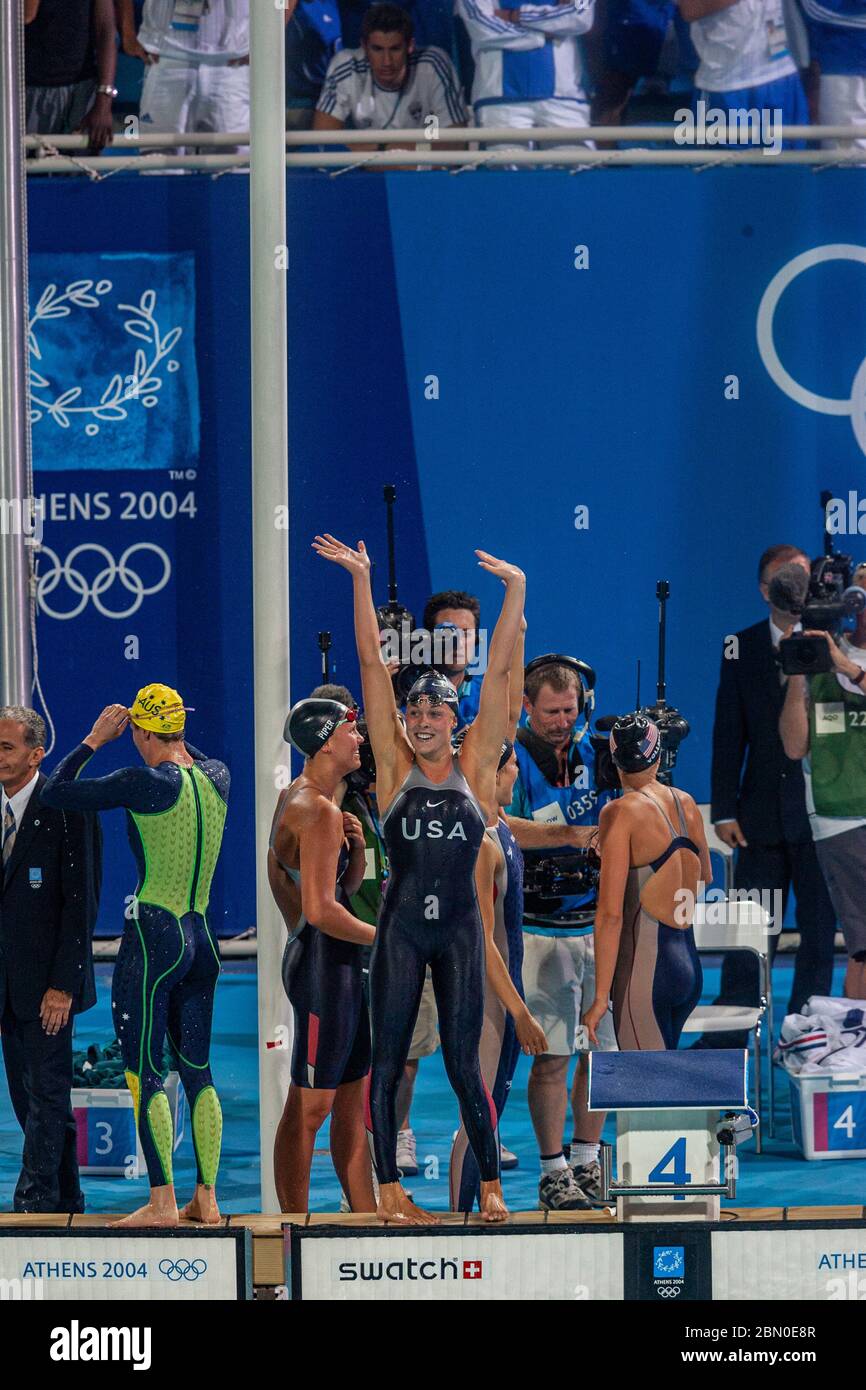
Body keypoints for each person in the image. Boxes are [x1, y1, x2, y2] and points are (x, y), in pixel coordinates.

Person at [314, 530, 524, 1224]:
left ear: (456, 719)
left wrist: (515, 593)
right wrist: (362, 580)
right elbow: (375, 667)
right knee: (390, 1056)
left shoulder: (479, 770)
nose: (426, 719)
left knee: (466, 1064)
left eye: (438, 711)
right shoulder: (394, 768)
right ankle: (390, 1191)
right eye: (417, 712)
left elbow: (500, 682)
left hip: (459, 930)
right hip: (401, 931)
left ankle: (490, 1185)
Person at [41, 683, 229, 1228]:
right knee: (198, 1069)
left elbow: (55, 791)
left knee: (144, 1071)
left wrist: (95, 740)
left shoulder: (141, 781)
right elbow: (191, 759)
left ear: (143, 732)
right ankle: (208, 1199)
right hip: (203, 939)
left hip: (154, 936)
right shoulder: (218, 776)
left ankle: (163, 1201)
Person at [703, 544, 837, 1048]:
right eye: (784, 579)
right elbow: (727, 731)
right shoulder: (740, 645)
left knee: (820, 934)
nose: (795, 587)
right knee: (749, 935)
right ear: (764, 589)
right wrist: (724, 807)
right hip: (758, 818)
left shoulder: (835, 642)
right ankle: (729, 1038)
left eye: (803, 577)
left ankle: (810, 1037)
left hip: (823, 816)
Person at [506, 654, 616, 1211]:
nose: (560, 721)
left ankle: (587, 1160)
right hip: (538, 928)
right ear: (528, 707)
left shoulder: (601, 754)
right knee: (551, 1058)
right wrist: (574, 835)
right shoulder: (514, 757)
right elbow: (501, 826)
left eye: (569, 710)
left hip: (599, 926)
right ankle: (551, 1172)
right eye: (550, 711)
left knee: (600, 1056)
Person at [268, 696, 376, 1213]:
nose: (360, 741)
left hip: (335, 964)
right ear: (328, 741)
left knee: (352, 1104)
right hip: (321, 966)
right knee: (309, 1108)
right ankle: (293, 1228)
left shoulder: (310, 800)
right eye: (352, 732)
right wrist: (386, 937)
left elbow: (342, 887)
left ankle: (363, 1216)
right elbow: (319, 910)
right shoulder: (315, 808)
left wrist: (352, 851)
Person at [0, 706, 101, 1214]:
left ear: (37, 755)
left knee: (45, 1096)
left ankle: (33, 1204)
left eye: (6, 747)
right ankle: (67, 1200)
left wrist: (63, 984)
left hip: (47, 990)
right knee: (34, 1101)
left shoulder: (67, 809)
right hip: (6, 989)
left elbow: (81, 905)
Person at [449, 737, 548, 1211]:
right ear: (492, 771)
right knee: (477, 1113)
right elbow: (483, 942)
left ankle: (475, 1209)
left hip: (505, 991)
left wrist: (578, 836)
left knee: (490, 1109)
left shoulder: (500, 828)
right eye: (511, 767)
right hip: (486, 996)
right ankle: (458, 1226)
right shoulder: (480, 845)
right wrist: (520, 1012)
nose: (517, 776)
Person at [585, 714, 712, 1050]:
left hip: (644, 975)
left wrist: (600, 997)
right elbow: (705, 877)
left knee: (648, 1095)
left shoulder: (619, 812)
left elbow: (610, 916)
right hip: (687, 967)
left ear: (614, 760)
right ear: (658, 755)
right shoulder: (687, 803)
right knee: (667, 1087)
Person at [780, 563, 866, 1001]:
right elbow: (795, 747)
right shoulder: (819, 652)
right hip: (840, 819)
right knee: (862, 951)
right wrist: (799, 676)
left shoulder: (839, 658)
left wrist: (846, 668)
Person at [117, 0, 291, 154]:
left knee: (232, 164)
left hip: (231, 62)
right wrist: (127, 33)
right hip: (166, 57)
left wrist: (270, 38)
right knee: (158, 161)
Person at [314, 3, 465, 140]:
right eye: (377, 49)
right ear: (364, 47)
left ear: (410, 46)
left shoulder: (433, 64)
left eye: (395, 49)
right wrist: (395, 153)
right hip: (378, 167)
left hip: (420, 168)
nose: (387, 61)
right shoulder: (346, 66)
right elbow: (324, 143)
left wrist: (379, 153)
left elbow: (455, 145)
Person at [455, 0, 596, 144]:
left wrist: (516, 15)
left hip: (565, 98)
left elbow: (580, 14)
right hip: (500, 101)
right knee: (502, 162)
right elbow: (482, 26)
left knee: (576, 163)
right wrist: (542, 34)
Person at [676, 0, 809, 147]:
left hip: (780, 74)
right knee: (723, 166)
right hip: (727, 85)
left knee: (788, 165)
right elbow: (690, 9)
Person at [24, 0, 117, 154]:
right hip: (22, 89)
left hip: (81, 92)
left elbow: (106, 29)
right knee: (18, 171)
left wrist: (104, 100)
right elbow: (27, 16)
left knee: (80, 170)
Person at [798, 0, 866, 152]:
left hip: (843, 70)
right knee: (847, 158)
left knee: (846, 159)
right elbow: (816, 9)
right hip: (843, 70)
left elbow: (816, 9)